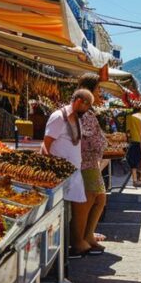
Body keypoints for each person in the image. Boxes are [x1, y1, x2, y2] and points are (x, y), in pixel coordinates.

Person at [43, 89, 94, 257]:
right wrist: (50, 170)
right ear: (79, 101)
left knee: (77, 207)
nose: (88, 110)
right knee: (64, 211)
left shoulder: (77, 119)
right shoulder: (58, 117)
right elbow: (46, 145)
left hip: (73, 172)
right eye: (88, 106)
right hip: (60, 174)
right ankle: (69, 247)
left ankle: (75, 243)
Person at [77, 74, 109, 254]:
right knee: (91, 200)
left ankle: (87, 235)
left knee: (98, 199)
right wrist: (102, 143)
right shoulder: (84, 114)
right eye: (98, 89)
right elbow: (86, 137)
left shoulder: (88, 113)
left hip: (89, 161)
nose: (100, 93)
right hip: (86, 162)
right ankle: (82, 238)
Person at [126, 106, 141, 187]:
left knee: (133, 161)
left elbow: (128, 131)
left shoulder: (130, 117)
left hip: (134, 141)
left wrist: (128, 139)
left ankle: (135, 180)